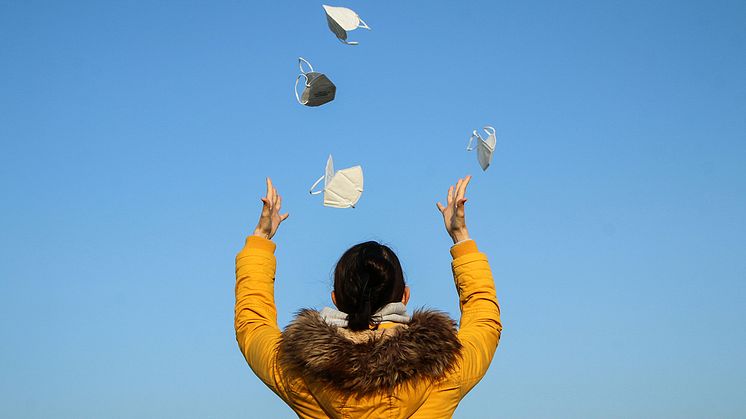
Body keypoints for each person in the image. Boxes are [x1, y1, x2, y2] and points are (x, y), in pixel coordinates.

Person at [235, 176, 501, 418]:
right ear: (404, 296)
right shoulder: (444, 367)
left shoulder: (301, 369)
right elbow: (484, 322)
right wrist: (460, 237)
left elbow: (253, 325)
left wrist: (261, 238)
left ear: (336, 299)